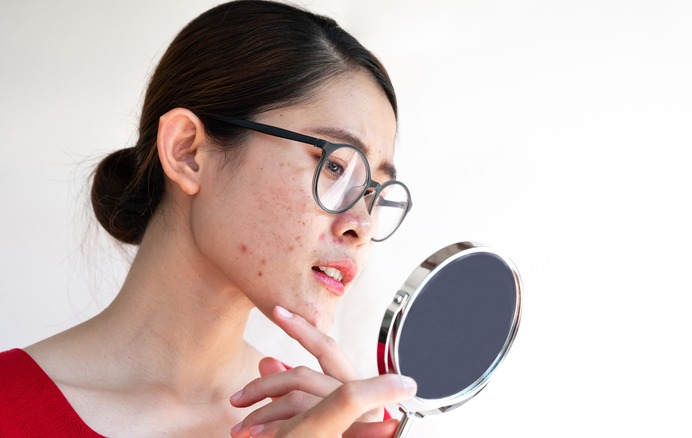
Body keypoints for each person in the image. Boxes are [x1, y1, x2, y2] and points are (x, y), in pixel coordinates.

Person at [0, 0, 417, 436]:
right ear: (187, 152)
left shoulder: (343, 427)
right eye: (335, 166)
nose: (362, 225)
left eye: (375, 192)